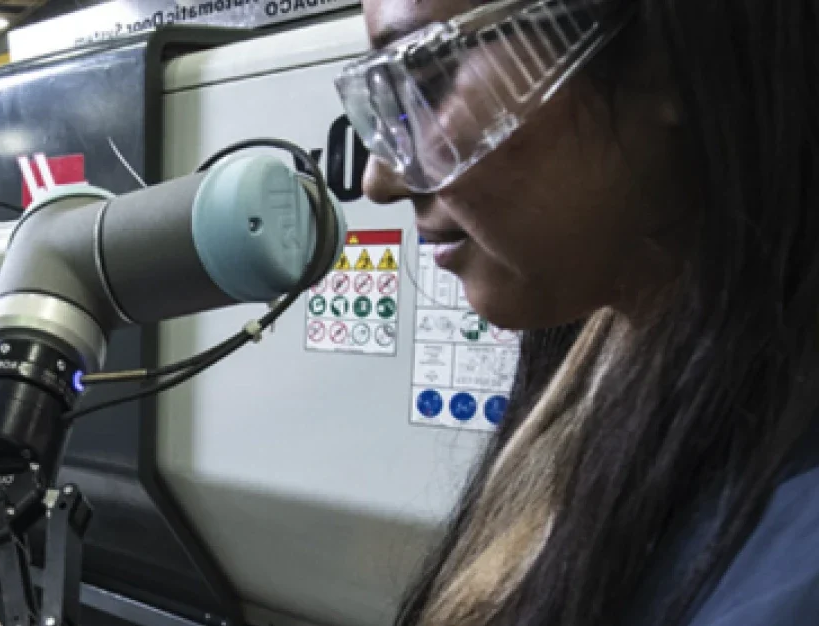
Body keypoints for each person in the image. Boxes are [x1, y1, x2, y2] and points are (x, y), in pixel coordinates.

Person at [334, 1, 819, 625]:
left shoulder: (785, 572)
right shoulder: (604, 383)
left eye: (426, 80)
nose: (380, 180)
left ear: (665, 55)